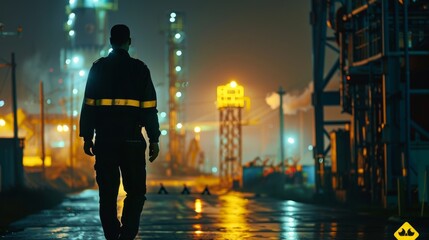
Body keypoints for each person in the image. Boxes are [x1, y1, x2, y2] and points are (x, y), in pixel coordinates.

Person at [79, 24, 160, 240]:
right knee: (136, 192)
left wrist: (87, 136)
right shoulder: (140, 69)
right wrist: (154, 139)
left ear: (110, 41)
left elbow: (88, 105)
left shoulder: (98, 68)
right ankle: (127, 234)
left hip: (105, 140)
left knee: (107, 194)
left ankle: (112, 235)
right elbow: (149, 108)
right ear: (129, 42)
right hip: (132, 140)